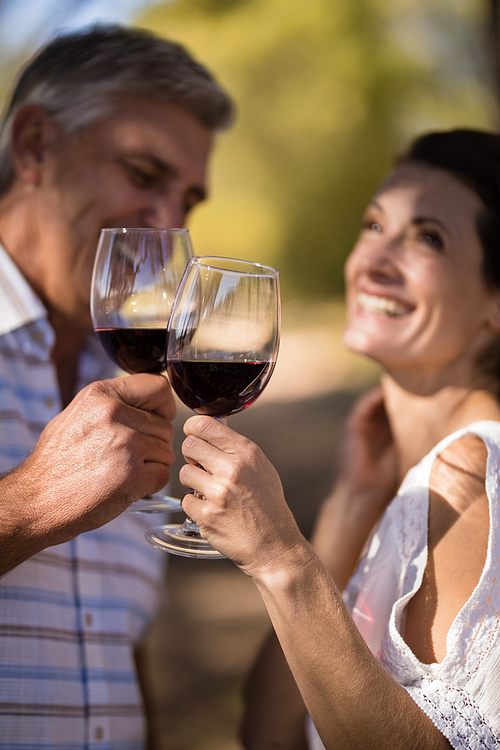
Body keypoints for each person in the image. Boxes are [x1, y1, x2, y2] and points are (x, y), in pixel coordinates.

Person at [176, 129, 500, 749]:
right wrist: (351, 505)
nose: (375, 260)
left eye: (428, 238)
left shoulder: (468, 476)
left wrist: (279, 558)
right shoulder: (406, 480)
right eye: (374, 226)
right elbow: (267, 735)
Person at [0, 24, 233, 748]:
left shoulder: (134, 384)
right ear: (35, 146)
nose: (167, 226)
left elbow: (114, 662)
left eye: (188, 201)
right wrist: (30, 504)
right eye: (142, 175)